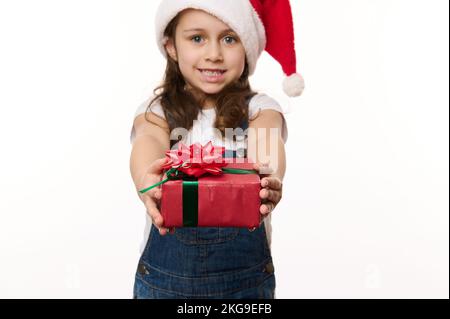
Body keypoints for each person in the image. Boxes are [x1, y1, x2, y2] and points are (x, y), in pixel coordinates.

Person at [129, 0, 304, 299]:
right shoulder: (157, 111)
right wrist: (147, 180)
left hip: (244, 289)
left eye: (229, 38)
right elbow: (148, 139)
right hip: (164, 285)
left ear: (247, 47)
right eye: (197, 38)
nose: (214, 54)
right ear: (171, 46)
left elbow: (267, 141)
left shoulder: (260, 110)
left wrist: (268, 174)